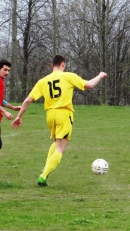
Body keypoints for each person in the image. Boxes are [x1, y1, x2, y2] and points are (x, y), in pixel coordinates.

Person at [11, 55, 107, 186]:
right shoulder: (68, 76)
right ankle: (43, 176)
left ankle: (46, 168)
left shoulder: (43, 81)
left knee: (57, 142)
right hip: (64, 113)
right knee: (61, 148)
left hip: (50, 114)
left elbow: (28, 100)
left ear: (52, 65)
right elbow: (89, 85)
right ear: (63, 64)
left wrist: (19, 116)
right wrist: (100, 75)